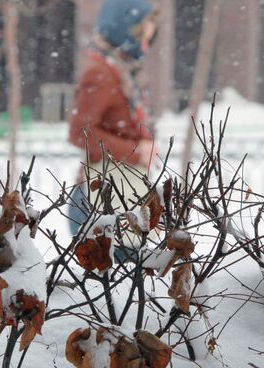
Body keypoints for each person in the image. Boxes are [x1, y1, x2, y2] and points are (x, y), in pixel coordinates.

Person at [68, 0, 158, 237]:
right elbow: (80, 133)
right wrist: (137, 151)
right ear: (126, 28)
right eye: (144, 27)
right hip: (99, 199)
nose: (150, 33)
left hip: (117, 193)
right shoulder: (102, 74)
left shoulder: (124, 72)